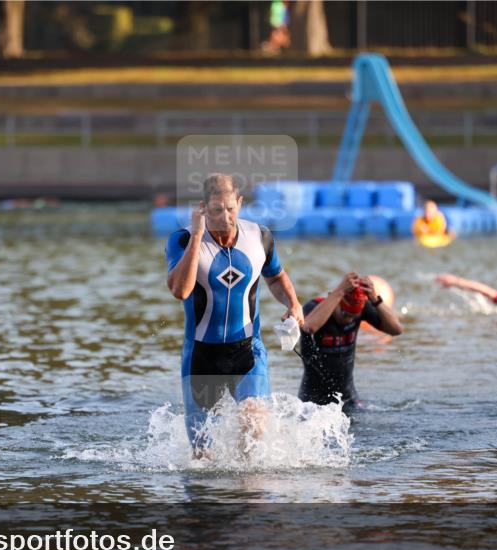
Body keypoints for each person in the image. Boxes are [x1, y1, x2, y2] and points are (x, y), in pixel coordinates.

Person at [166, 173, 305, 457]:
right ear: (203, 208)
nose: (225, 217)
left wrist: (293, 303)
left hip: (247, 349)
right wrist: (197, 236)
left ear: (240, 203)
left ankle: (248, 483)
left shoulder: (260, 237)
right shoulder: (182, 240)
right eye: (217, 210)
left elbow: (275, 277)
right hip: (201, 355)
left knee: (255, 424)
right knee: (202, 454)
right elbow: (181, 290)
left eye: (230, 208)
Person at [297, 272, 403, 414]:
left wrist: (374, 299)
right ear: (336, 301)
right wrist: (340, 291)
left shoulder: (361, 309)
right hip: (312, 401)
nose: (348, 320)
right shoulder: (314, 307)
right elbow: (308, 327)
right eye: (345, 314)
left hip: (348, 399)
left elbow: (396, 329)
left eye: (353, 316)